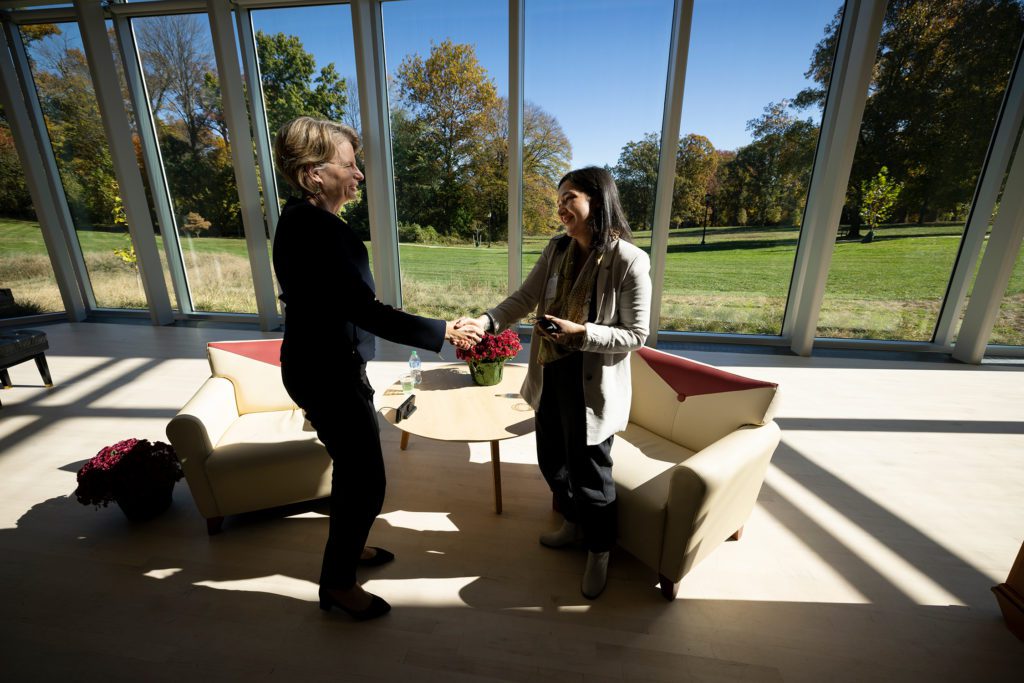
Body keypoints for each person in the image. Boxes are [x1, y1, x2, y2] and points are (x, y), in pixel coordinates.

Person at [272, 117, 483, 621]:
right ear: (312, 174)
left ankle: (353, 546)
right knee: (366, 480)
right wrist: (442, 331)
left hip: (318, 365)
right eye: (348, 164)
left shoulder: (298, 220)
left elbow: (345, 301)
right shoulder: (321, 231)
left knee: (353, 470)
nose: (360, 175)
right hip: (326, 373)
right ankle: (338, 585)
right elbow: (364, 310)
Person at [462, 166, 651, 599]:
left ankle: (599, 551)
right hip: (550, 372)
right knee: (552, 461)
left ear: (597, 203)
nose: (561, 206)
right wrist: (487, 321)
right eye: (560, 198)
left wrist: (582, 333)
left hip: (592, 380)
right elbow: (526, 297)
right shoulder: (557, 249)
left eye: (571, 198)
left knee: (590, 473)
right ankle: (572, 524)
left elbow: (637, 335)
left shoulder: (629, 261)